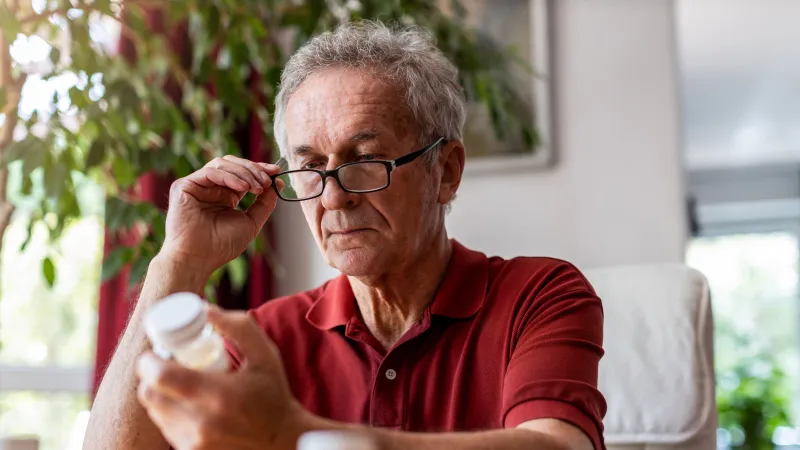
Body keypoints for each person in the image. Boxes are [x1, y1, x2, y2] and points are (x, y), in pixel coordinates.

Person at [84, 22, 606, 450]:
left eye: (365, 159)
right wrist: (180, 261)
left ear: (445, 171)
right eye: (310, 166)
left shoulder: (539, 295)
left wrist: (295, 436)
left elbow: (556, 447)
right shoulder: (265, 337)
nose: (334, 197)